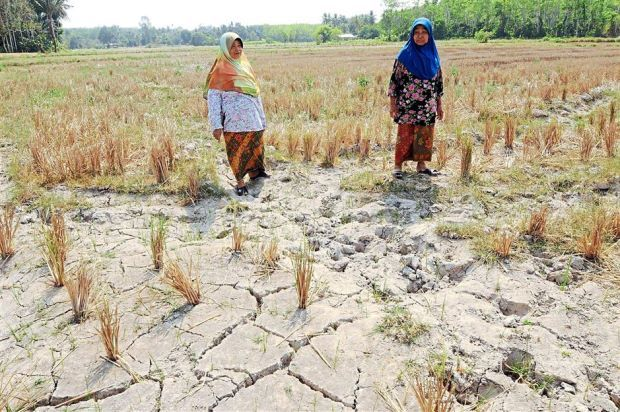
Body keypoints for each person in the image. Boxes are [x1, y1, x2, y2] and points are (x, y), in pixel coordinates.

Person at [204, 32, 268, 196]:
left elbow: (256, 93)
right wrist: (216, 125)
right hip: (234, 122)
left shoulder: (245, 67)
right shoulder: (219, 71)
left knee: (256, 146)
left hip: (253, 118)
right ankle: (240, 182)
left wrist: (262, 118)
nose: (237, 49)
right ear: (225, 48)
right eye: (233, 46)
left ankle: (256, 173)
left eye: (240, 45)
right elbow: (213, 100)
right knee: (236, 150)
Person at [388, 17, 444, 179]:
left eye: (424, 32)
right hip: (407, 105)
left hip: (427, 107)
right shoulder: (404, 55)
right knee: (405, 134)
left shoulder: (434, 56)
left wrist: (439, 106)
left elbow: (438, 85)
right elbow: (394, 82)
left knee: (424, 136)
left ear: (430, 35)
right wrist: (393, 105)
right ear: (411, 35)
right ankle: (398, 166)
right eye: (416, 32)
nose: (420, 36)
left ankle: (421, 165)